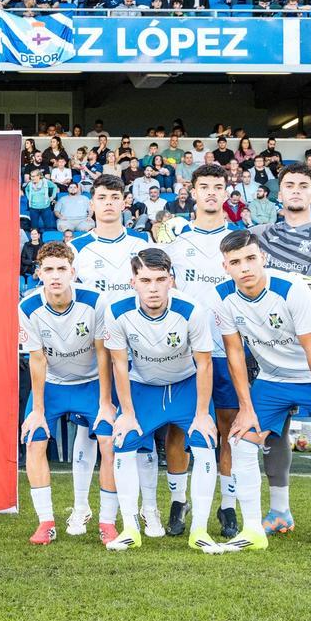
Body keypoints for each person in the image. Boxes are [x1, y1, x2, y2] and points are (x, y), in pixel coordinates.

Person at [215, 230, 311, 564]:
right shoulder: (223, 297)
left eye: (250, 259)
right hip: (272, 379)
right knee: (242, 440)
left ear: (263, 258)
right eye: (235, 262)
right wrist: (245, 409)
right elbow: (234, 354)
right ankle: (253, 531)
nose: (245, 268)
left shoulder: (291, 289)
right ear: (225, 266)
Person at [251, 164, 311, 544]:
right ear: (279, 194)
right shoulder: (260, 234)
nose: (295, 190)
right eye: (288, 185)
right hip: (268, 350)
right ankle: (279, 511)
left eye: (303, 186)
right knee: (271, 435)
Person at [103, 248, 220, 553]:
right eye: (145, 280)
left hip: (185, 385)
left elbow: (205, 364)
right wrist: (126, 413)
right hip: (144, 387)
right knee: (123, 441)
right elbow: (118, 363)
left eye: (159, 279)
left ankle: (200, 530)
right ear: (133, 282)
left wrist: (203, 413)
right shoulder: (117, 311)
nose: (152, 288)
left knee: (205, 441)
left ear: (172, 280)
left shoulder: (192, 310)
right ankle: (130, 527)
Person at [70, 174, 154, 538]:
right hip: (95, 352)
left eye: (114, 197)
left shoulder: (141, 243)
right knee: (89, 430)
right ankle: (80, 507)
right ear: (92, 204)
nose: (107, 203)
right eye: (101, 197)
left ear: (124, 203)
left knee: (140, 430)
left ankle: (146, 509)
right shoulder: (77, 249)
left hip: (139, 350)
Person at [161, 164, 242, 538]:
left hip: (227, 348)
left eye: (218, 187)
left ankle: (227, 507)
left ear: (227, 192)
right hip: (183, 351)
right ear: (191, 191)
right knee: (179, 429)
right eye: (204, 186)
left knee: (228, 430)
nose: (211, 192)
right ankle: (179, 503)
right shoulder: (173, 242)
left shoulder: (241, 241)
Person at [18, 243, 115, 545]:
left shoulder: (95, 302)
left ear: (72, 272)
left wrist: (105, 402)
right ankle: (46, 522)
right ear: (39, 274)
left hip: (91, 383)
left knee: (109, 442)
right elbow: (37, 359)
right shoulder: (28, 307)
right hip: (53, 385)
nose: (56, 276)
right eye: (49, 269)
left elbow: (104, 353)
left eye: (62, 269)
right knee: (34, 441)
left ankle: (107, 522)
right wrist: (37, 409)